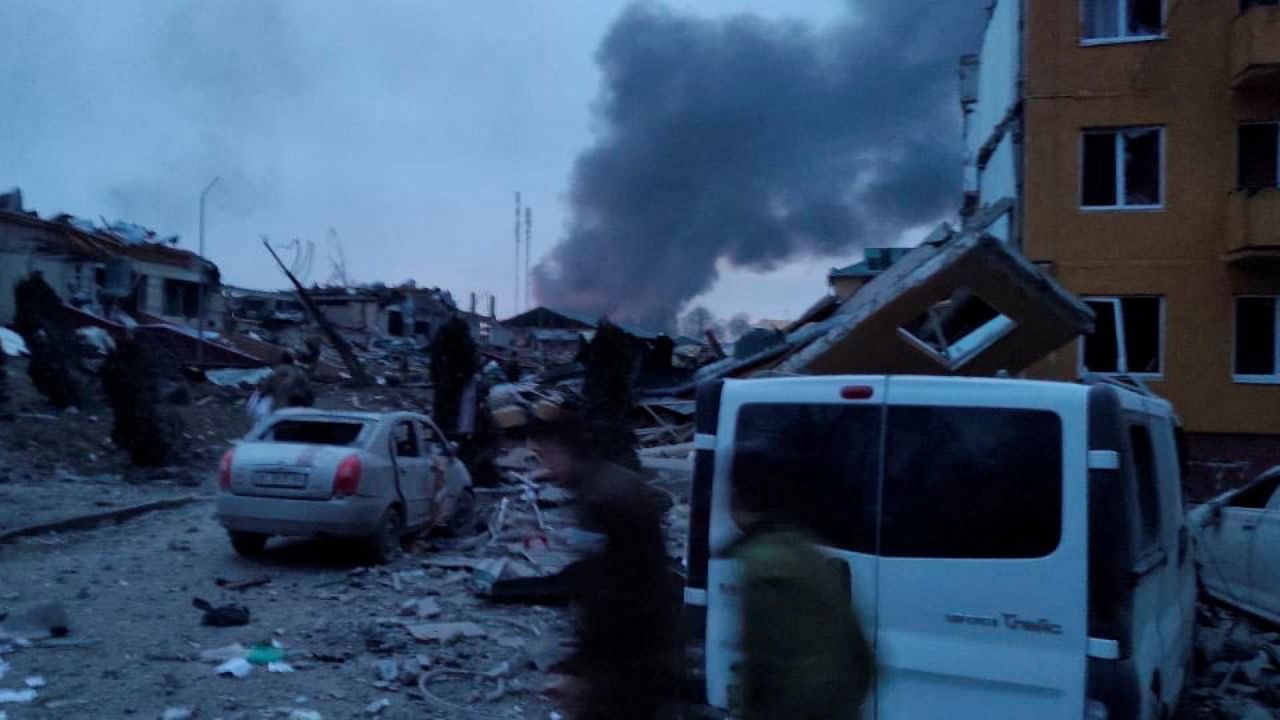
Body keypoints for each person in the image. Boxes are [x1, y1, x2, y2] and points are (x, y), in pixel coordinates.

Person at [527, 412, 680, 720]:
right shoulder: (616, 480)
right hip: (651, 639)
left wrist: (582, 669)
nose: (546, 467)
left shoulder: (601, 498)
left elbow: (608, 590)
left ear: (564, 449)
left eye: (546, 455)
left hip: (629, 653)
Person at [729, 444, 875, 720]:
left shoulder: (763, 565)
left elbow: (762, 667)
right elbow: (862, 655)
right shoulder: (806, 550)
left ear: (737, 497)